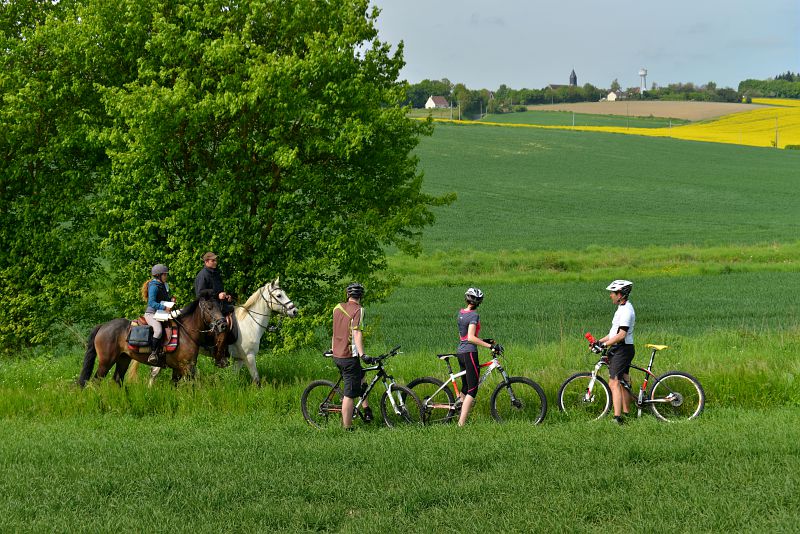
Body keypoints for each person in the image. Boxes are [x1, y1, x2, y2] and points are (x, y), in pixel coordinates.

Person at [455, 287, 502, 427]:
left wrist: (485, 341)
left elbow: (463, 337)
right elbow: (470, 338)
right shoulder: (474, 315)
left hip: (461, 353)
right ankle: (461, 424)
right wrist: (490, 346)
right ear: (479, 302)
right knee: (472, 389)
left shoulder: (461, 313)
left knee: (465, 388)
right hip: (469, 353)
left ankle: (459, 415)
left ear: (466, 299)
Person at [330, 282, 372, 430]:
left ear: (348, 294)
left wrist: (332, 348)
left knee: (361, 377)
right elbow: (357, 332)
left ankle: (366, 409)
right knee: (349, 393)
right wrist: (363, 354)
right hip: (348, 357)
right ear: (361, 296)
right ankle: (347, 427)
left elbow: (335, 330)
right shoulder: (359, 310)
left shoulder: (337, 307)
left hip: (337, 354)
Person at [596, 280, 636, 425]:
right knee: (623, 381)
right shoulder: (622, 308)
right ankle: (627, 413)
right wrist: (599, 342)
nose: (610, 296)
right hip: (620, 348)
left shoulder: (626, 311)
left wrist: (605, 345)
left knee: (614, 382)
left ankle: (617, 418)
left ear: (620, 295)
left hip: (622, 349)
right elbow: (613, 333)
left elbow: (621, 335)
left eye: (612, 293)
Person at [141, 264, 176, 364]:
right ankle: (153, 353)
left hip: (161, 313)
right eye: (165, 274)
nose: (166, 276)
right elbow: (151, 303)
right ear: (158, 275)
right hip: (151, 314)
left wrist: (170, 300)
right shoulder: (154, 287)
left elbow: (163, 300)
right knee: (158, 331)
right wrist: (165, 307)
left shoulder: (163, 285)